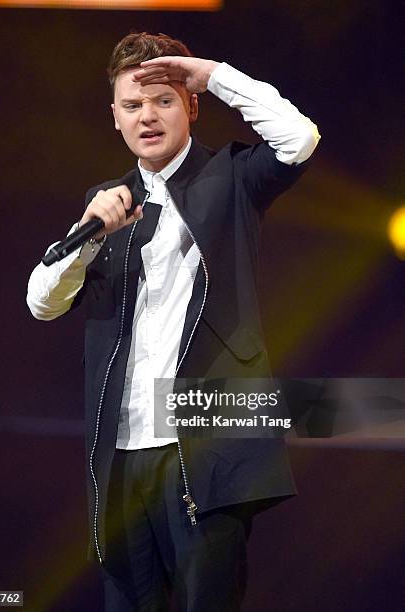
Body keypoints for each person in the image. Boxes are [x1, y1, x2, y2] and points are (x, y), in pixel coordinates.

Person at [27, 32, 320, 611]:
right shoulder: (107, 204)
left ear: (190, 106)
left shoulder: (232, 175)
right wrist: (86, 242)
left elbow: (299, 137)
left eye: (162, 99)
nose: (147, 116)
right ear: (114, 118)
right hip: (122, 450)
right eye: (132, 106)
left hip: (207, 441)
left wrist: (213, 74)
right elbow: (42, 300)